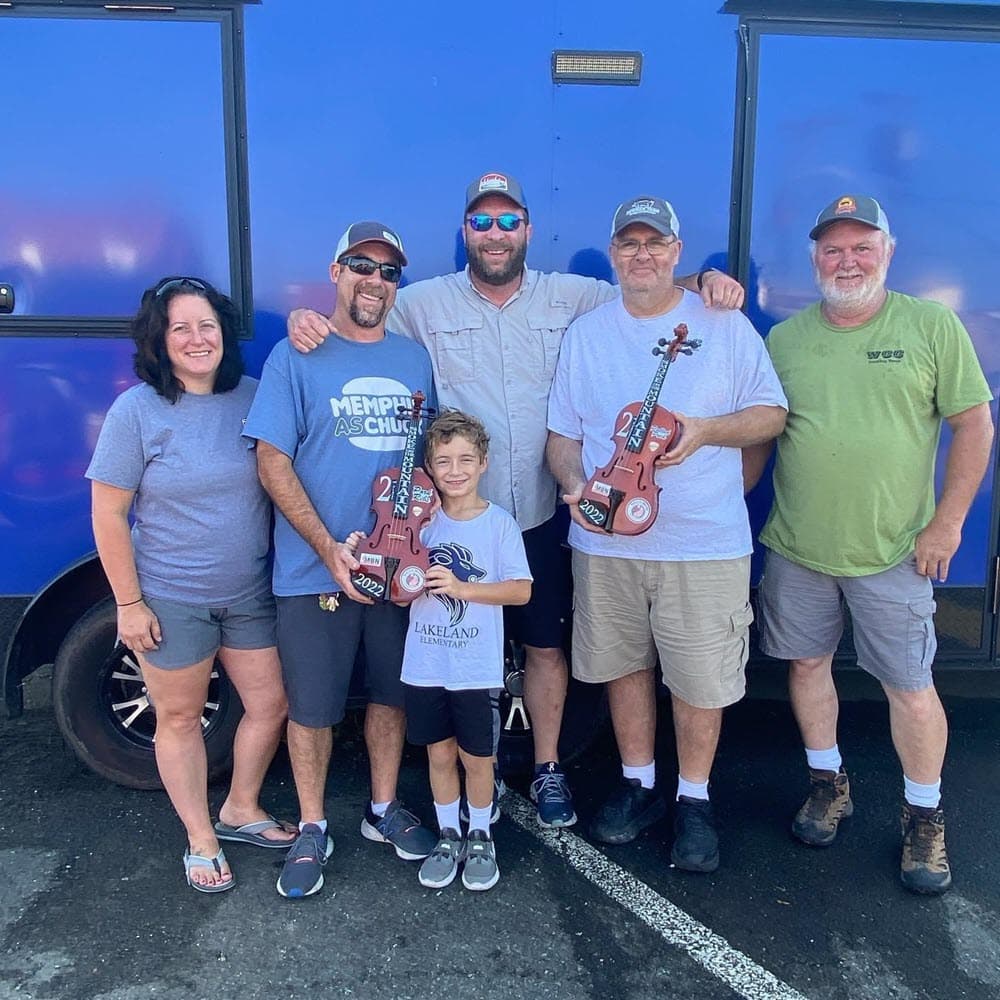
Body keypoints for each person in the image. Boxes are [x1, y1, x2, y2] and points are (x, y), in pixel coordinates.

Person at [288, 172, 745, 829]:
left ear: (527, 229)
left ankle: (548, 767)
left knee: (544, 648)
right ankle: (459, 773)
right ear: (465, 232)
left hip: (537, 512)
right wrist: (308, 318)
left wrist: (706, 280)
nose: (495, 233)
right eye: (482, 222)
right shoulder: (422, 302)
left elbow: (647, 286)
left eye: (508, 221)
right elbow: (360, 313)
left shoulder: (573, 295)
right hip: (453, 519)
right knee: (451, 641)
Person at [753, 194, 994, 895]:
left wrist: (948, 523)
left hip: (895, 552)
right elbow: (760, 433)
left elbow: (975, 424)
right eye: (833, 249)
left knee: (911, 688)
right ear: (815, 259)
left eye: (862, 247)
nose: (847, 261)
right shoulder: (785, 339)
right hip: (797, 549)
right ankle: (828, 784)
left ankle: (925, 816)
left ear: (888, 252)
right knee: (807, 667)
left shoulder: (930, 325)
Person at [546, 196, 787, 871]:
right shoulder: (587, 334)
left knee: (699, 678)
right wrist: (575, 485)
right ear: (613, 253)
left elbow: (771, 414)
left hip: (703, 543)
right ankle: (639, 783)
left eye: (655, 243)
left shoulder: (723, 323)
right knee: (623, 664)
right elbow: (563, 436)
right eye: (629, 243)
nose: (642, 255)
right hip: (607, 542)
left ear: (677, 252)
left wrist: (706, 432)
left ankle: (695, 798)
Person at [244, 221, 438, 899]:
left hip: (395, 567)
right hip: (314, 570)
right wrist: (328, 549)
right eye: (361, 264)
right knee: (313, 707)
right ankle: (313, 825)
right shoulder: (295, 356)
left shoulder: (415, 360)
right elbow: (272, 460)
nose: (374, 280)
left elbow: (430, 460)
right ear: (336, 272)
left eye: (388, 271)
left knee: (391, 695)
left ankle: (383, 809)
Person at [87, 276, 294, 894]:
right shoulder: (136, 411)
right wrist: (129, 604)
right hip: (172, 596)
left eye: (208, 326)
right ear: (160, 340)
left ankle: (240, 808)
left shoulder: (254, 397)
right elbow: (108, 514)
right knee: (178, 718)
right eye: (181, 328)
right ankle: (201, 837)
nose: (197, 339)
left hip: (250, 591)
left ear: (224, 334)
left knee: (271, 705)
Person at [387, 409, 532, 892]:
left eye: (466, 459)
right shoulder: (419, 525)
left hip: (475, 668)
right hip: (426, 664)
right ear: (429, 467)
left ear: (484, 463)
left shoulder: (499, 524)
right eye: (444, 461)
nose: (455, 471)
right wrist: (370, 556)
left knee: (477, 758)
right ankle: (449, 834)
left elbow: (521, 590)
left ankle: (481, 835)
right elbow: (393, 585)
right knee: (439, 753)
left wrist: (461, 588)